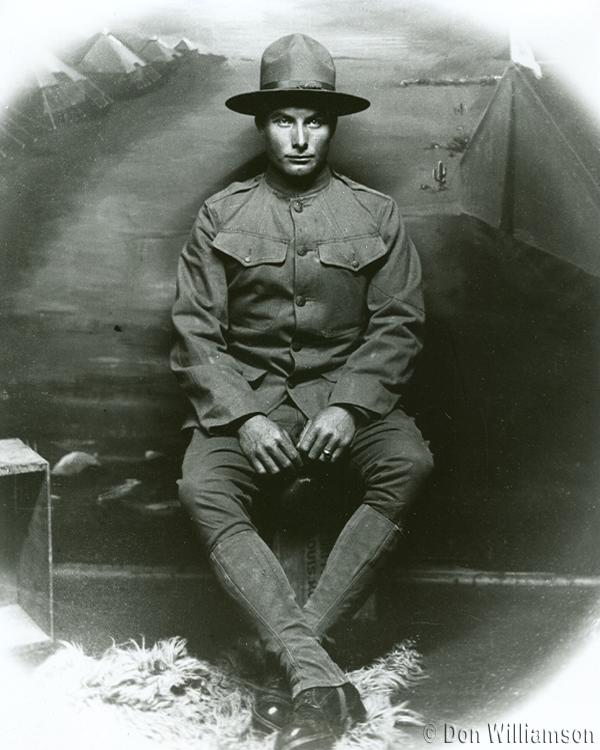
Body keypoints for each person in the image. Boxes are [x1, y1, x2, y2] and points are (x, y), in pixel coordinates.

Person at [171, 33, 433, 750]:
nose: (298, 136)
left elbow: (400, 322)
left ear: (333, 125)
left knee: (408, 463)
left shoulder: (374, 213)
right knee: (202, 485)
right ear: (261, 124)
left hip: (345, 395)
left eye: (313, 120)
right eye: (284, 119)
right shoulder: (220, 214)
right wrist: (247, 418)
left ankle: (292, 660)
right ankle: (319, 676)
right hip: (246, 399)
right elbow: (195, 335)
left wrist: (350, 405)